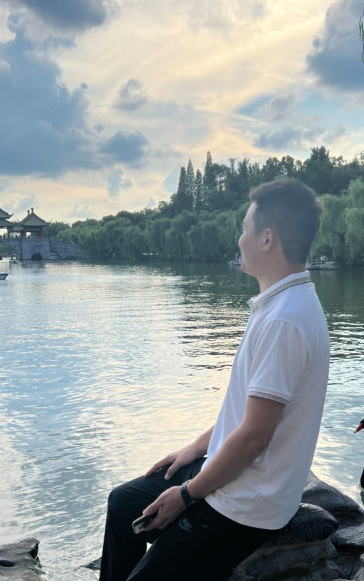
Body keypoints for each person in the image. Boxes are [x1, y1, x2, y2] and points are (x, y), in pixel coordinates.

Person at [99, 179, 330, 581]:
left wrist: (186, 495)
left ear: (266, 239)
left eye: (244, 229)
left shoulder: (285, 321)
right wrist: (194, 448)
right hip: (233, 478)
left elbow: (255, 437)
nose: (239, 240)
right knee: (123, 504)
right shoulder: (280, 304)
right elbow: (246, 414)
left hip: (245, 504)